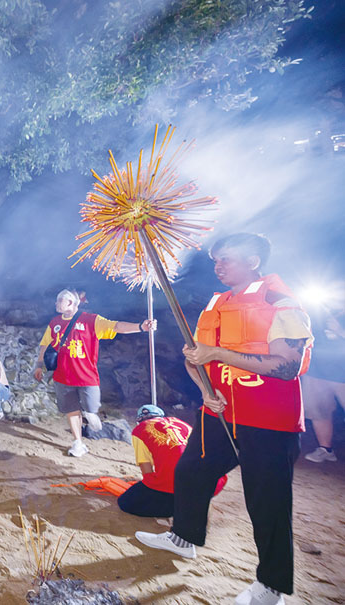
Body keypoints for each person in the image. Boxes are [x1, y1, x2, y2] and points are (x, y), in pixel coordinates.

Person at [135, 233, 312, 605]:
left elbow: (286, 366)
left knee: (267, 501)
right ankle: (184, 537)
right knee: (191, 471)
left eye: (226, 258)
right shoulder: (216, 304)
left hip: (267, 419)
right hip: (218, 412)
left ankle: (272, 586)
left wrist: (219, 352)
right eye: (215, 259)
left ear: (253, 260)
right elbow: (194, 355)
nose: (218, 265)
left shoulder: (282, 302)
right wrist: (204, 391)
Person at [33, 288, 156, 457]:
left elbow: (116, 326)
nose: (56, 304)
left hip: (86, 376)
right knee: (71, 409)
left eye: (59, 300)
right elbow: (45, 344)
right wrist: (39, 365)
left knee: (91, 408)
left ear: (70, 302)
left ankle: (90, 414)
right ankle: (78, 443)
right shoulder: (54, 322)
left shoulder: (91, 320)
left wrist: (141, 327)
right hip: (63, 376)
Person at [118, 405, 227, 518]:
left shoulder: (139, 430)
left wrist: (148, 485)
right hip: (214, 482)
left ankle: (181, 509)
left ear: (139, 421)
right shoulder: (180, 422)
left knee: (125, 502)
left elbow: (146, 468)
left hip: (180, 482)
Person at [302, 309, 345, 462]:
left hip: (342, 372)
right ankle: (325, 449)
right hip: (316, 369)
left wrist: (340, 331)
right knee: (318, 410)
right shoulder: (316, 309)